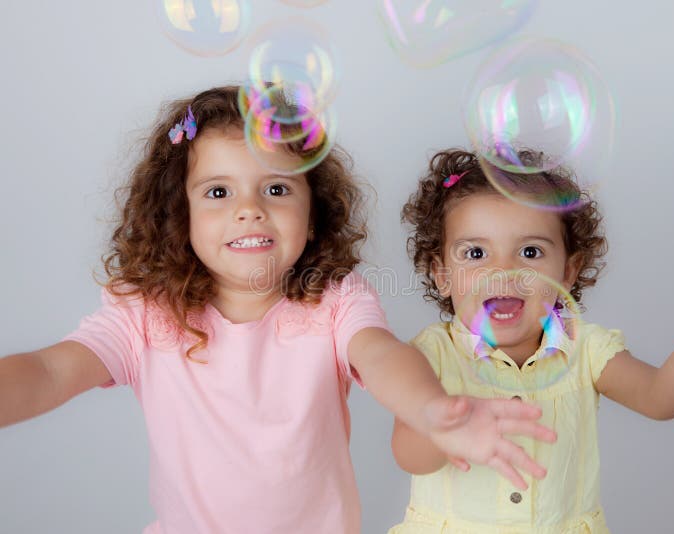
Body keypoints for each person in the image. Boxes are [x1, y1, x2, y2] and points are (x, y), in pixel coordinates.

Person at [0, 88, 558, 534]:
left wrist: (434, 410)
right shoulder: (147, 313)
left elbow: (383, 356)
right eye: (218, 193)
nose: (249, 211)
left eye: (276, 190)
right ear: (180, 213)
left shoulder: (335, 301)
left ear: (313, 215)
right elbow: (51, 371)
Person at [389, 147, 674, 533]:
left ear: (567, 271)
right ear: (441, 274)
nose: (504, 270)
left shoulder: (584, 349)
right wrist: (444, 430)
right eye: (475, 253)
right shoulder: (431, 354)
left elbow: (660, 397)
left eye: (529, 251)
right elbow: (407, 452)